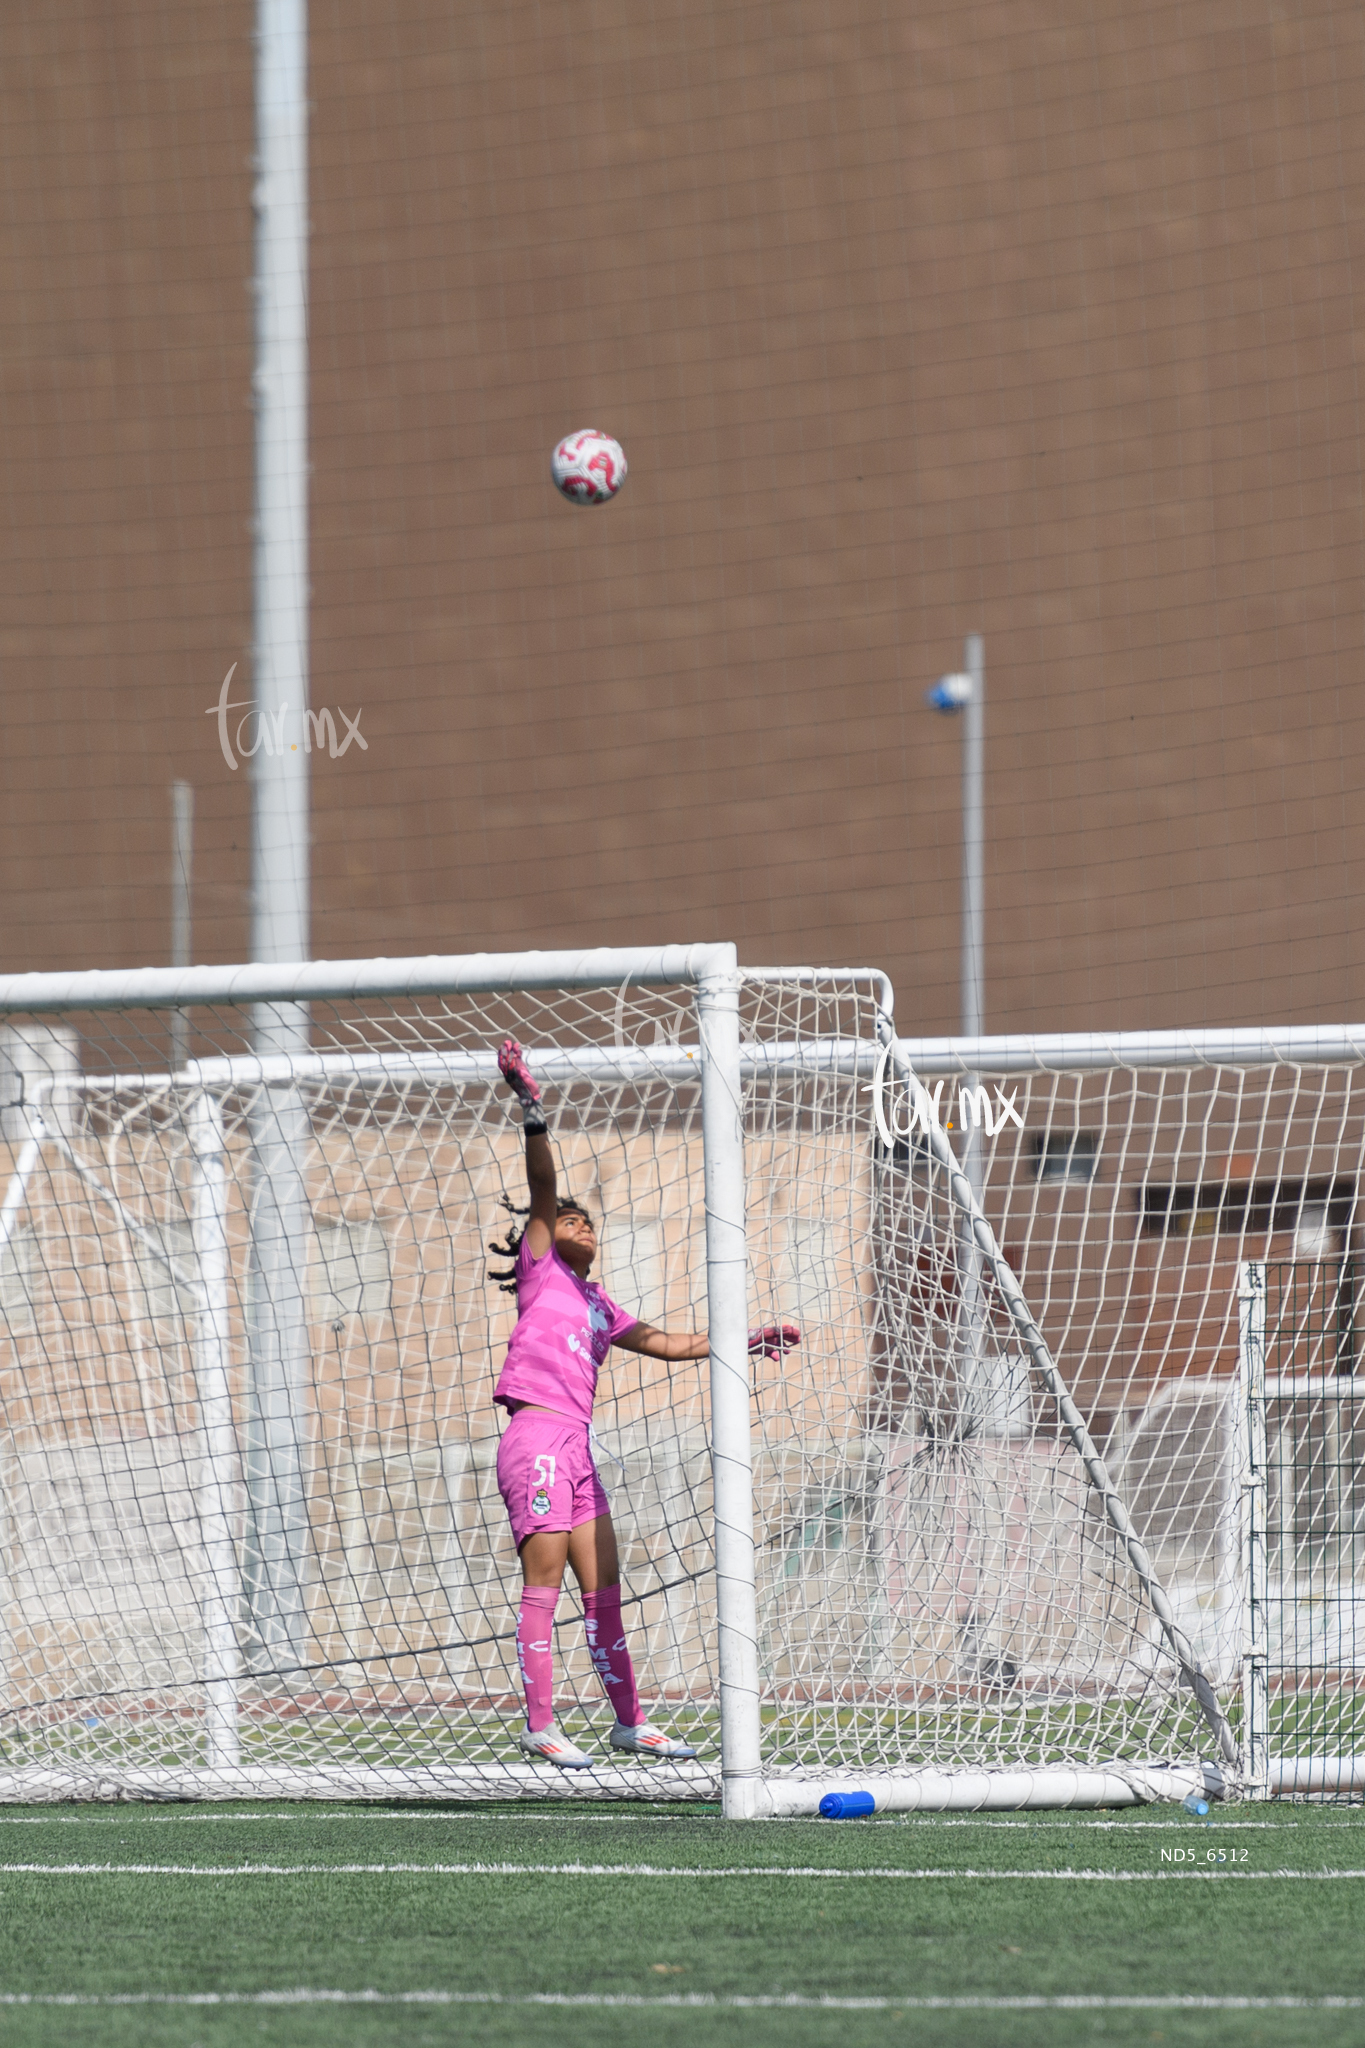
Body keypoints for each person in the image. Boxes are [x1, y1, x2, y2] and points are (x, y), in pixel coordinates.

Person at [489, 1037, 798, 1768]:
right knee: (545, 1582)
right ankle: (540, 1724)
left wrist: (746, 1338)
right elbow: (542, 1185)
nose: (582, 1226)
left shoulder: (598, 1305)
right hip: (535, 1437)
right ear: (542, 1236)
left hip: (578, 1447)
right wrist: (532, 1110)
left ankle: (629, 1722)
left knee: (603, 1588)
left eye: (588, 1221)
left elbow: (668, 1343)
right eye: (569, 1220)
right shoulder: (541, 1274)